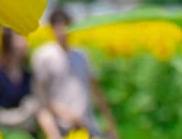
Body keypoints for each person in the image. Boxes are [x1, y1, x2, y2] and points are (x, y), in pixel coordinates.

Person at [31, 8, 118, 139]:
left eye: (66, 26)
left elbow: (96, 90)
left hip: (87, 124)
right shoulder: (44, 55)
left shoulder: (81, 55)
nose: (63, 31)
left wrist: (110, 122)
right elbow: (41, 97)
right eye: (58, 26)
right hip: (61, 127)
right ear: (52, 29)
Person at [0, 27, 62, 139]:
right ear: (8, 41)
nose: (25, 39)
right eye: (19, 36)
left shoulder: (29, 75)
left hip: (26, 132)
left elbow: (41, 110)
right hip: (3, 132)